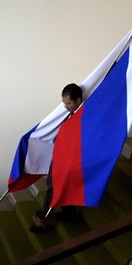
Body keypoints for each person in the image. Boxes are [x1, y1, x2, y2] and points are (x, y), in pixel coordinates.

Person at [29, 83, 83, 233]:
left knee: (54, 185)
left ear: (78, 100)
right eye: (64, 103)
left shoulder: (84, 115)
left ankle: (44, 220)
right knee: (55, 183)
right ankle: (70, 214)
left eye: (68, 103)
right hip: (61, 155)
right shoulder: (71, 113)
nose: (65, 107)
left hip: (71, 159)